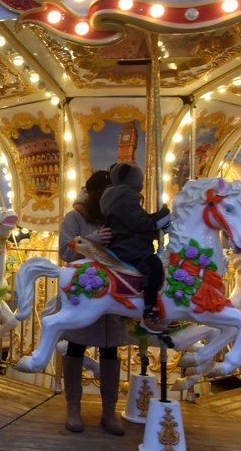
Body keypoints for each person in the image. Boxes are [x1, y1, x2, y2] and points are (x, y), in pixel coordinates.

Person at [58, 170, 129, 436]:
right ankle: (73, 407)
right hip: (85, 293)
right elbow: (65, 251)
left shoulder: (115, 217)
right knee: (76, 346)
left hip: (111, 293)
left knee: (110, 350)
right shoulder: (75, 217)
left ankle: (109, 410)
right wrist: (92, 241)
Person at [100, 162, 171, 334]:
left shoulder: (119, 197)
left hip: (127, 244)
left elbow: (135, 223)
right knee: (154, 266)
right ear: (133, 180)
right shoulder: (124, 198)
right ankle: (149, 314)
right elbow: (141, 223)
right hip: (129, 248)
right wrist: (161, 216)